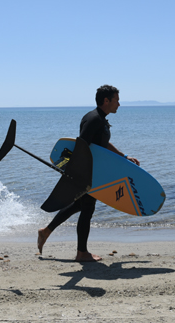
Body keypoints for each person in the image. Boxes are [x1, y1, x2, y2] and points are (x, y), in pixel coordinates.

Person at [37, 84, 140, 262]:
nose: (119, 104)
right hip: (87, 172)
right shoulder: (94, 119)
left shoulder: (99, 118)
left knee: (80, 206)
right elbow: (82, 145)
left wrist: (123, 156)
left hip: (91, 171)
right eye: (117, 100)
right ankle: (81, 253)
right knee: (87, 208)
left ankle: (46, 231)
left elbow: (101, 144)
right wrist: (78, 173)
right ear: (106, 101)